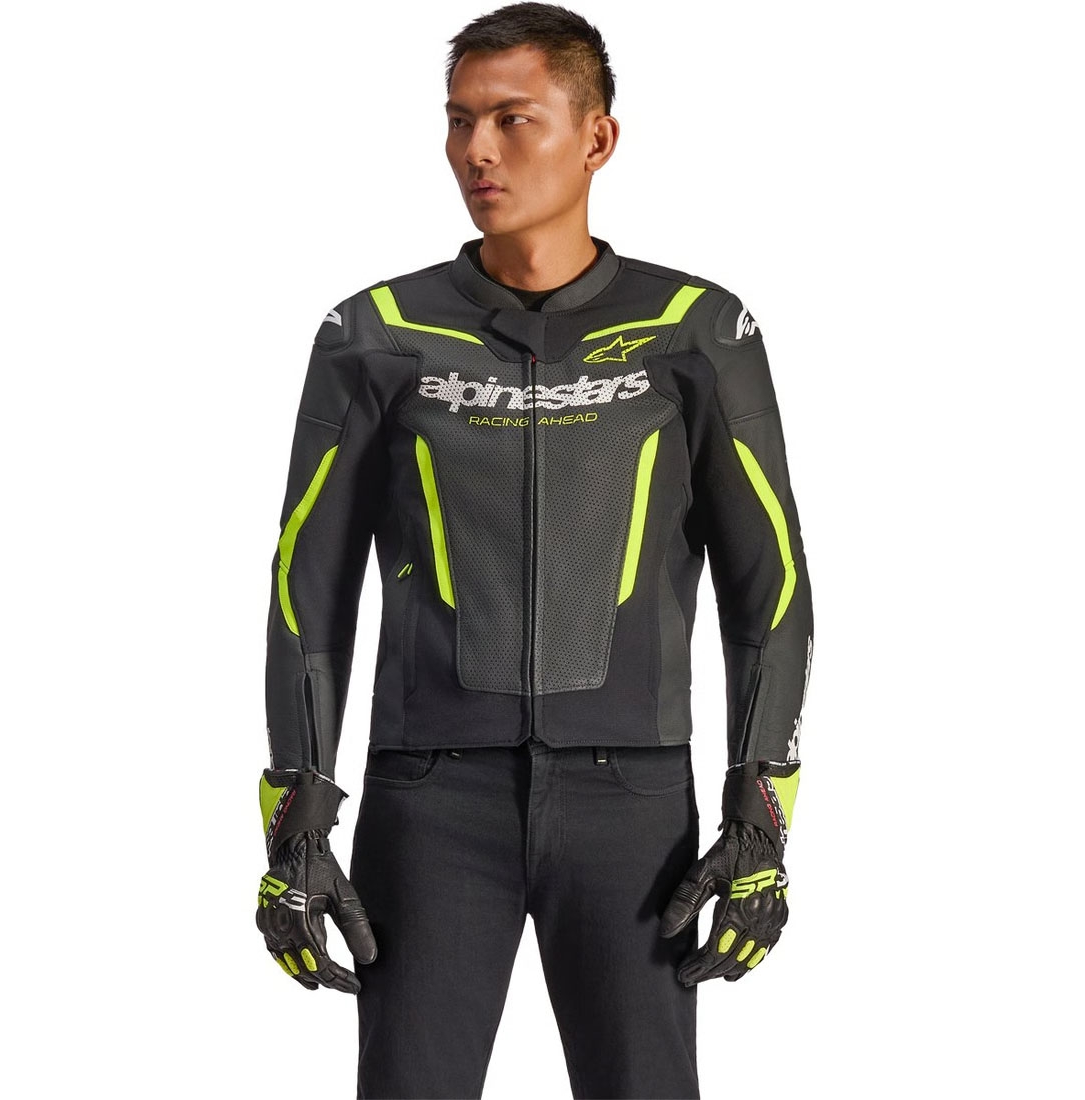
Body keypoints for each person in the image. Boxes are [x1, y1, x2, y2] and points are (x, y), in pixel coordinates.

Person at [255, 4, 814, 1097]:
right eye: (459, 120)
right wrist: (294, 817)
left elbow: (772, 589)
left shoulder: (696, 328)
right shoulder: (374, 333)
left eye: (512, 119)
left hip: (633, 804)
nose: (477, 150)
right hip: (428, 804)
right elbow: (304, 588)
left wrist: (761, 809)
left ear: (597, 137)